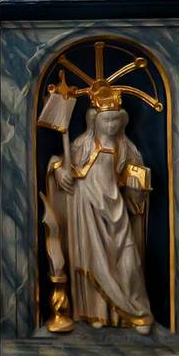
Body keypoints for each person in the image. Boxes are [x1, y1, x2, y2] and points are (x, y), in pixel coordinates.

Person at [47, 96, 153, 333]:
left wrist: (137, 186)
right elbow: (63, 166)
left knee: (128, 262)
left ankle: (134, 310)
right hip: (86, 209)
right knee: (91, 260)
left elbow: (136, 179)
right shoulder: (82, 145)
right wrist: (58, 171)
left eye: (116, 120)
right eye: (106, 120)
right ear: (95, 121)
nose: (111, 125)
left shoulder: (126, 148)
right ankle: (96, 313)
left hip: (116, 211)